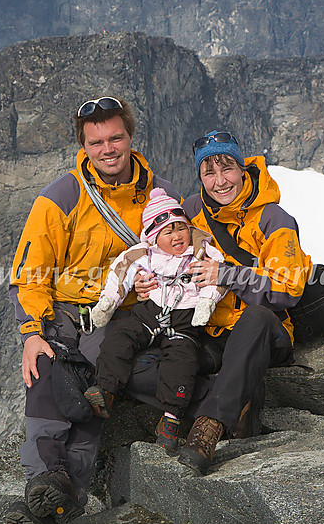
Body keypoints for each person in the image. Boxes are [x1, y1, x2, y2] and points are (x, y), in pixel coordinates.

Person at [5, 97, 182, 524]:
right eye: (96, 141)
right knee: (46, 369)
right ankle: (50, 485)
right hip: (64, 309)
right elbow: (29, 276)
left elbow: (184, 258)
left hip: (127, 312)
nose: (107, 149)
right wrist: (31, 334)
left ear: (130, 137)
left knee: (95, 378)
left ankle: (55, 496)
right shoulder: (60, 198)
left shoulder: (161, 199)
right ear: (83, 146)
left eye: (115, 137)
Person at [174, 131, 314, 475]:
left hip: (265, 333)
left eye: (228, 169)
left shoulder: (273, 219)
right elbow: (157, 244)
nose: (220, 181)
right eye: (209, 173)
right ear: (200, 177)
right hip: (210, 329)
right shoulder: (191, 210)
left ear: (242, 168)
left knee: (257, 317)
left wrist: (226, 274)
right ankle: (239, 396)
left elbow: (287, 289)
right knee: (151, 363)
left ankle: (207, 430)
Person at [83, 188, 225, 453]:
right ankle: (105, 389)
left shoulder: (202, 251)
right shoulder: (144, 254)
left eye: (180, 228)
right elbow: (120, 272)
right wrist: (109, 300)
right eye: (167, 231)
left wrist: (207, 301)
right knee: (120, 337)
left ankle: (171, 418)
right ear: (153, 236)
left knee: (182, 361)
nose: (177, 236)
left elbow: (217, 276)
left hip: (185, 317)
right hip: (150, 310)